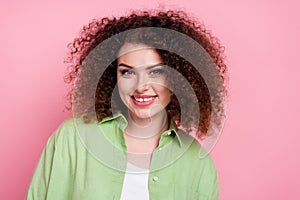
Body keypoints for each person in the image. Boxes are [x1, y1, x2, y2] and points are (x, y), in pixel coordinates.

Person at [27, 9, 228, 200]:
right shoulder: (71, 139)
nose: (141, 86)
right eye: (127, 72)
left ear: (180, 77)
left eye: (156, 72)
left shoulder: (197, 162)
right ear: (112, 77)